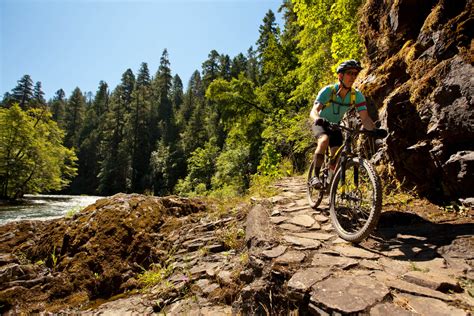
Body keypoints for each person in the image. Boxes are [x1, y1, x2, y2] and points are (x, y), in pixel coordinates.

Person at [309, 59, 383, 188]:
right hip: (321, 123)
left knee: (336, 153)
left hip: (336, 125)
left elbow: (365, 118)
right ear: (340, 75)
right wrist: (317, 118)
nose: (353, 77)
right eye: (350, 73)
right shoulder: (328, 91)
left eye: (355, 74)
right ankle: (315, 177)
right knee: (324, 140)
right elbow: (314, 110)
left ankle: (330, 179)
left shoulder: (357, 96)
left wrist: (374, 131)